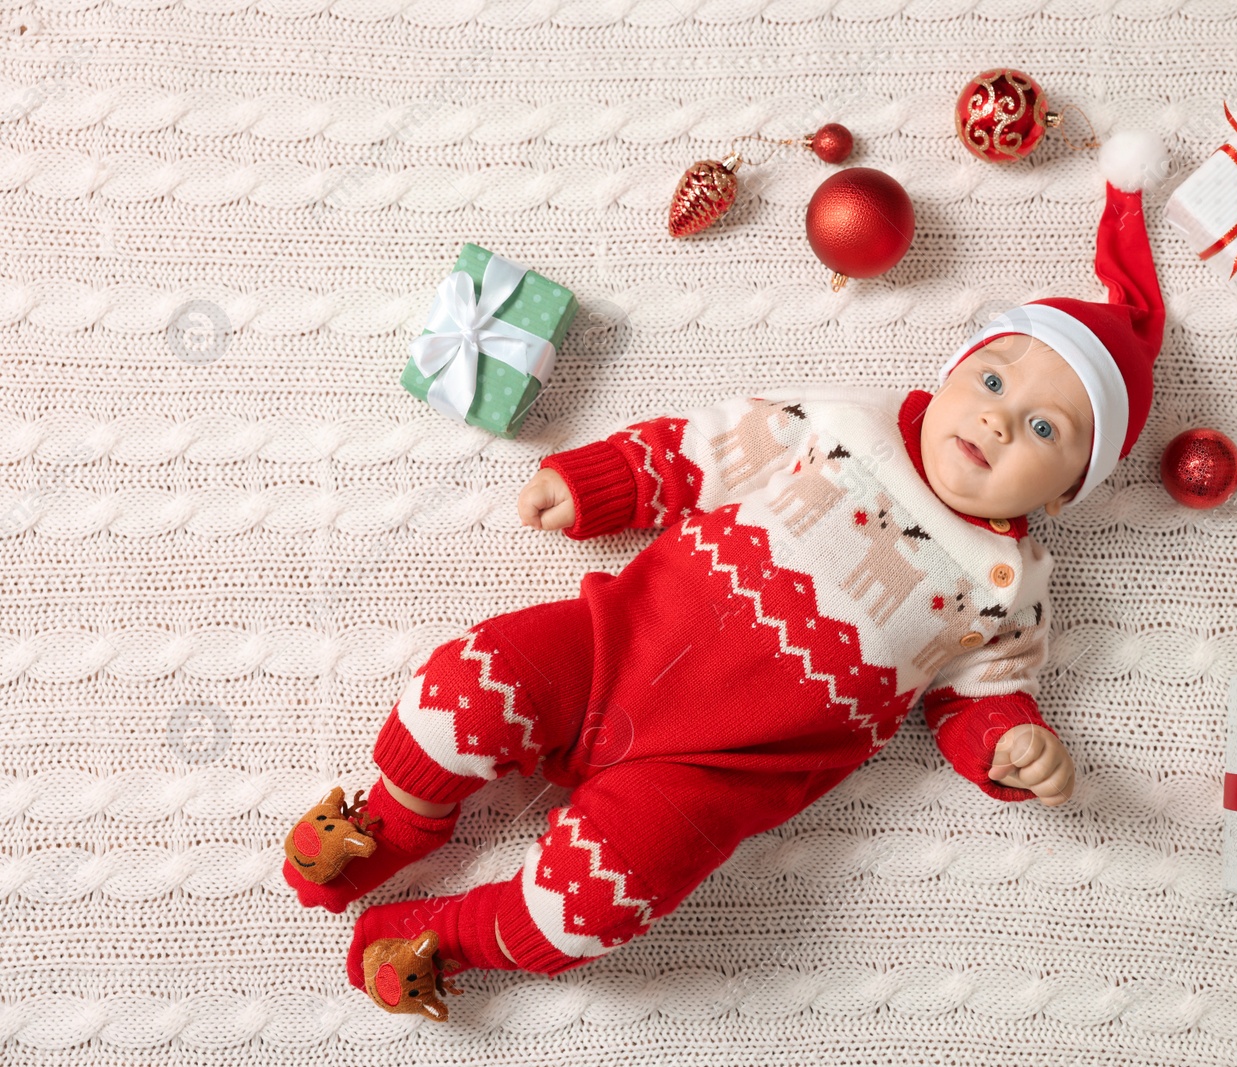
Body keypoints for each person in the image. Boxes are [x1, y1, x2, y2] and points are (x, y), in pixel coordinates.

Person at [281, 131, 1169, 1022]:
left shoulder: (1009, 586)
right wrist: (604, 482)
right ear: (952, 372)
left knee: (605, 896)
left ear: (1068, 493)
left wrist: (1008, 745)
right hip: (616, 645)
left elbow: (979, 697)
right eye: (989, 377)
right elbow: (708, 450)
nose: (999, 421)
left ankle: (451, 937)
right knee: (467, 683)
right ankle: (390, 826)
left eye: (1048, 431)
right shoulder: (846, 424)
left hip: (718, 770)